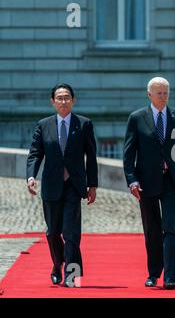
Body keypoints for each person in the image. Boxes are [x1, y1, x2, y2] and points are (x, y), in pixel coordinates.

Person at [123, 77, 175, 290]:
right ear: (149, 94)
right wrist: (132, 180)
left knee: (169, 227)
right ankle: (154, 273)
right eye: (158, 93)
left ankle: (170, 277)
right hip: (146, 182)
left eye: (165, 93)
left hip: (172, 181)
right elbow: (128, 154)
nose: (163, 97)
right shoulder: (137, 118)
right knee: (152, 230)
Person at [26, 83, 98, 287]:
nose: (63, 101)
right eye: (59, 98)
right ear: (53, 102)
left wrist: (92, 185)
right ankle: (57, 265)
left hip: (74, 186)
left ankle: (71, 274)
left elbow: (91, 157)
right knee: (52, 232)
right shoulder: (43, 125)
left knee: (71, 232)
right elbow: (35, 154)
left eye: (67, 97)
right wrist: (31, 176)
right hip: (51, 185)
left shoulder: (84, 124)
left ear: (73, 100)